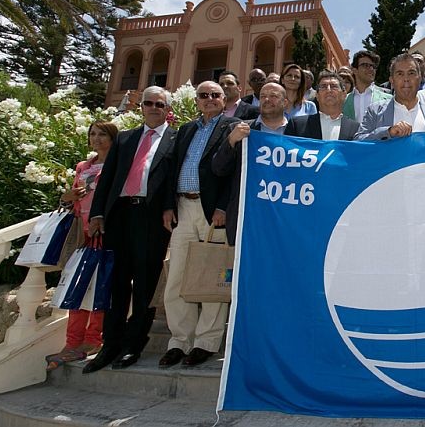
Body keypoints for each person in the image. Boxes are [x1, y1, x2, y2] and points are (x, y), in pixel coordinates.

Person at [84, 86, 177, 373]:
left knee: (145, 283)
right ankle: (110, 344)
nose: (153, 107)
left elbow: (174, 179)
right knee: (117, 283)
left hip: (151, 218)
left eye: (159, 104)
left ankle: (133, 345)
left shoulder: (176, 139)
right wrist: (98, 213)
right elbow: (107, 180)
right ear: (141, 108)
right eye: (148, 103)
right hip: (119, 216)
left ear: (167, 109)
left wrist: (169, 207)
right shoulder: (125, 139)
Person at [158, 81, 237, 368]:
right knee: (177, 276)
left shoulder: (233, 126)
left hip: (212, 212)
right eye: (203, 95)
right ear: (196, 101)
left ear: (224, 98)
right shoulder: (187, 130)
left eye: (215, 95)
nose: (209, 99)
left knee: (212, 276)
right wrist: (168, 205)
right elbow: (171, 169)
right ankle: (180, 340)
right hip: (183, 207)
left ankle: (205, 342)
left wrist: (222, 206)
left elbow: (235, 171)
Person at [46, 121, 118, 371]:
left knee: (99, 287)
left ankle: (92, 338)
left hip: (106, 233)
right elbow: (71, 202)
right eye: (93, 134)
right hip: (82, 233)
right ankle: (72, 341)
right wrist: (66, 197)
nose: (96, 139)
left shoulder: (118, 165)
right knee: (77, 288)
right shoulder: (82, 167)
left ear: (112, 138)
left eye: (102, 135)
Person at [213, 82, 289, 245]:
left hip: (284, 217)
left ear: (285, 102)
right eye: (263, 96)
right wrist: (231, 141)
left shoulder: (297, 132)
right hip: (246, 215)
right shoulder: (238, 128)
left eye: (274, 96)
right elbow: (219, 168)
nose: (267, 99)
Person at [355, 53, 425, 141]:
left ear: (420, 78)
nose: (406, 79)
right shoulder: (375, 111)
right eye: (400, 74)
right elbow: (358, 141)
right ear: (392, 81)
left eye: (411, 73)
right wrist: (388, 132)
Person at [284, 71, 360, 141]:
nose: (328, 90)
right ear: (317, 95)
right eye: (323, 87)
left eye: (334, 86)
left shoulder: (356, 129)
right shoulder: (297, 125)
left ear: (344, 94)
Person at [343, 50, 392, 120]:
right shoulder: (344, 101)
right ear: (355, 70)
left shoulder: (389, 99)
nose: (371, 69)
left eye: (373, 66)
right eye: (366, 65)